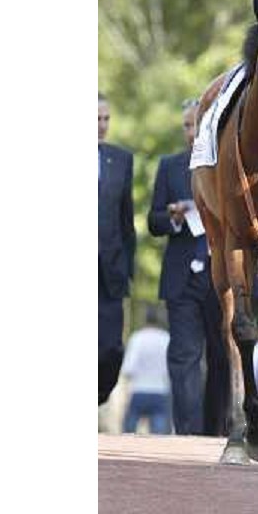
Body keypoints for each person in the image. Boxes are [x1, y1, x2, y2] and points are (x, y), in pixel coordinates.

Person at [147, 98, 229, 436]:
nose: (191, 132)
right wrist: (173, 217)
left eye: (197, 124)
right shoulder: (168, 166)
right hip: (181, 279)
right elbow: (153, 220)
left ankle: (215, 431)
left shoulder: (228, 165)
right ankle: (188, 435)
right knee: (184, 358)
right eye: (186, 125)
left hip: (220, 276)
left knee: (221, 358)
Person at [98, 92, 136, 406]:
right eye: (96, 119)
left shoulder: (121, 159)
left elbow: (127, 221)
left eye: (106, 118)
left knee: (111, 348)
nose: (102, 125)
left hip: (110, 271)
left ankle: (99, 392)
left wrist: (129, 268)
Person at [121, 305, 172, 434]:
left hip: (139, 390)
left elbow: (128, 368)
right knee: (159, 438)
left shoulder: (137, 337)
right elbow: (170, 370)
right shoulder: (166, 338)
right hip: (160, 391)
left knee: (128, 434)